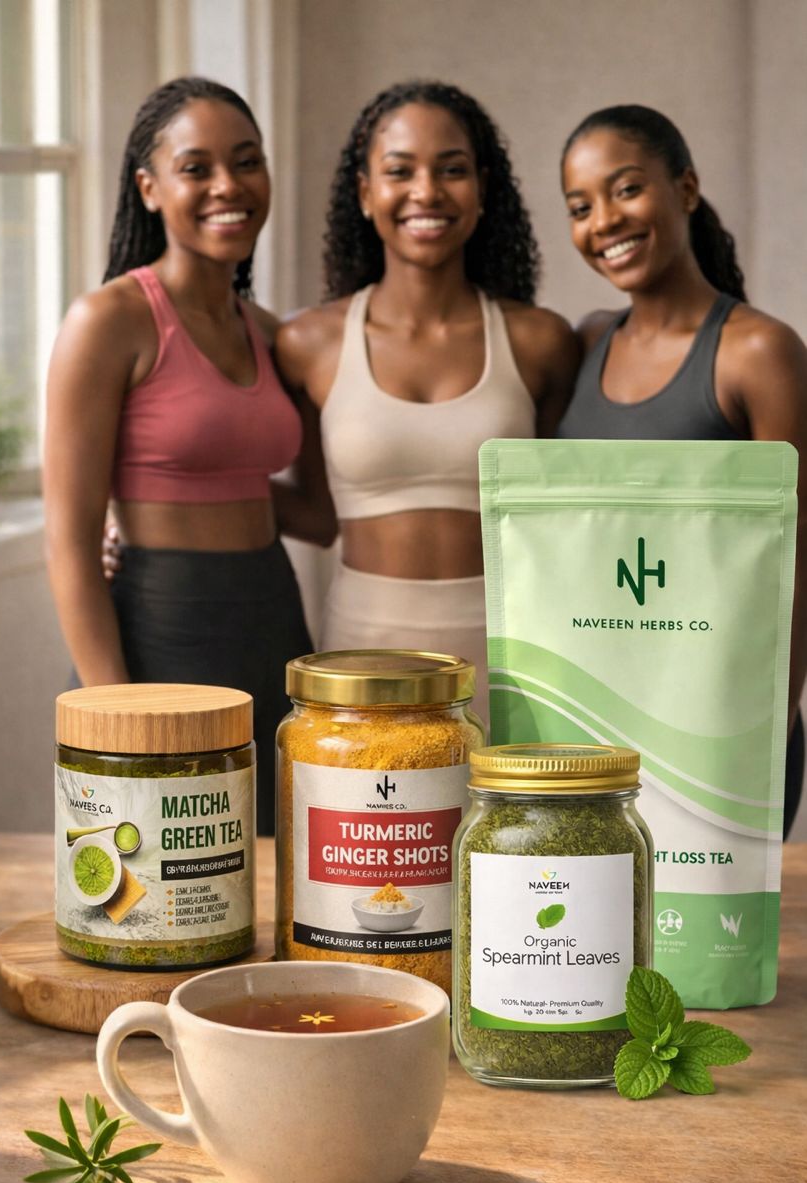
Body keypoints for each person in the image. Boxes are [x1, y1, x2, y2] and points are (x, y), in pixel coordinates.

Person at [44, 78, 336, 835]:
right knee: (152, 886)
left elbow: (318, 516)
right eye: (196, 167)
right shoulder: (108, 321)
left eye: (246, 162)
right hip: (158, 624)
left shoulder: (275, 334)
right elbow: (70, 545)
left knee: (270, 880)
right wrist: (116, 725)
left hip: (272, 624)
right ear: (149, 188)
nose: (227, 187)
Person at [275, 81, 578, 725]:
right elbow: (312, 512)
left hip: (509, 652)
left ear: (483, 188)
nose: (427, 192)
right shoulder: (309, 343)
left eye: (453, 170)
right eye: (399, 171)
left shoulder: (539, 340)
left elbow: (563, 518)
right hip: (360, 649)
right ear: (365, 193)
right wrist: (134, 513)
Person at [557, 104, 807, 835]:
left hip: (717, 725)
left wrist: (762, 728)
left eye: (625, 188)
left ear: (686, 189)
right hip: (598, 718)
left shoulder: (757, 352)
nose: (603, 219)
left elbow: (795, 557)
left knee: (709, 949)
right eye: (579, 206)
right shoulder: (589, 341)